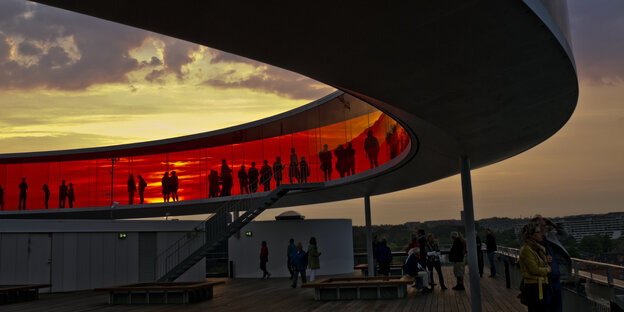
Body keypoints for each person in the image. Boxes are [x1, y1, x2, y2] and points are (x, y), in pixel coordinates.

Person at [532, 215, 571, 312]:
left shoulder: (550, 236)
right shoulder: (532, 242)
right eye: (541, 226)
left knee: (557, 308)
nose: (544, 227)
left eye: (544, 225)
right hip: (543, 282)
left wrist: (553, 224)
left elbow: (565, 235)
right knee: (546, 308)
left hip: (556, 278)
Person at [519, 221, 551, 312]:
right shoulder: (527, 250)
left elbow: (540, 264)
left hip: (541, 285)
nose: (541, 234)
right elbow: (534, 269)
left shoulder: (537, 248)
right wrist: (547, 270)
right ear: (530, 235)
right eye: (538, 232)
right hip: (534, 287)